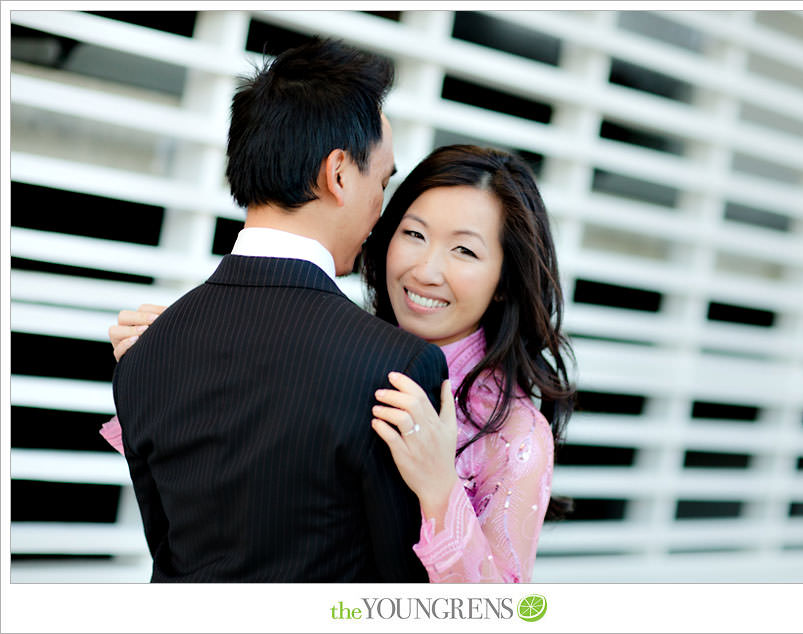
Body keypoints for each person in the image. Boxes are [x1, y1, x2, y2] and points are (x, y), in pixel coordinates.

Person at [108, 144, 575, 583]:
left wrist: (440, 488)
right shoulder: (338, 355)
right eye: (414, 234)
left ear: (504, 281)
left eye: (464, 250)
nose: (426, 271)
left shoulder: (515, 436)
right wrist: (171, 358)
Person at [109, 37, 449, 583]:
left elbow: (167, 562)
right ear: (339, 174)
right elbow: (407, 592)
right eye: (381, 182)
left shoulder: (146, 353)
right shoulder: (399, 369)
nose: (379, 212)